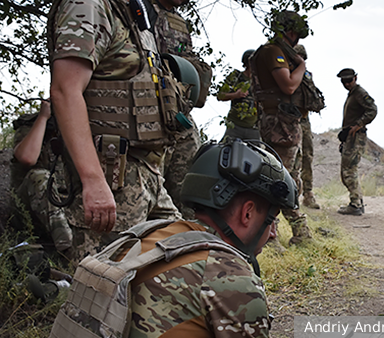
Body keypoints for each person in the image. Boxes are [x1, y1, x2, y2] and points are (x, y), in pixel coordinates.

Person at [49, 139, 297, 338]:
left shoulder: (148, 233)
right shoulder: (230, 275)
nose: (273, 232)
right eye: (272, 220)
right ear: (248, 213)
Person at [47, 0, 182, 262]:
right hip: (111, 173)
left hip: (147, 172)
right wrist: (93, 180)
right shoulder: (89, 5)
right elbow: (65, 91)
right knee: (103, 288)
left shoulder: (133, 10)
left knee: (179, 261)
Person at [250, 10, 312, 245]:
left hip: (278, 122)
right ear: (291, 31)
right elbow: (287, 86)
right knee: (278, 180)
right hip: (280, 125)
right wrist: (302, 67)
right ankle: (271, 237)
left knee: (288, 178)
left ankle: (301, 233)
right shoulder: (274, 52)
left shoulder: (267, 51)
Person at [150, 0, 212, 220]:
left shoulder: (179, 22)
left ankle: (186, 234)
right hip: (148, 110)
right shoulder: (138, 9)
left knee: (188, 179)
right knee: (151, 180)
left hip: (178, 109)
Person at [11, 99, 72, 252]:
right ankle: (68, 251)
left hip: (66, 207)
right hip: (30, 210)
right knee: (40, 177)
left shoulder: (76, 128)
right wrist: (44, 117)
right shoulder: (32, 125)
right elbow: (27, 157)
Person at [336, 68, 377, 216]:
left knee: (348, 171)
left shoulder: (360, 93)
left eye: (349, 80)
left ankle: (355, 205)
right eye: (343, 81)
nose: (346, 83)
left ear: (355, 78)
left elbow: (372, 109)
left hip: (356, 137)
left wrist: (359, 124)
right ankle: (357, 202)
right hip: (350, 136)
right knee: (348, 170)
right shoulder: (353, 94)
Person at [290, 44, 322, 209]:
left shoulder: (307, 75)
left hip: (303, 119)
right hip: (288, 119)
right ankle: (291, 192)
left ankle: (308, 193)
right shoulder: (287, 73)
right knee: (293, 156)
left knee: (307, 156)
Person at [217, 49, 260, 142]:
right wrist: (235, 94)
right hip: (235, 125)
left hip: (253, 128)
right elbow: (220, 96)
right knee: (226, 150)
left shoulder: (260, 81)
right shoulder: (236, 76)